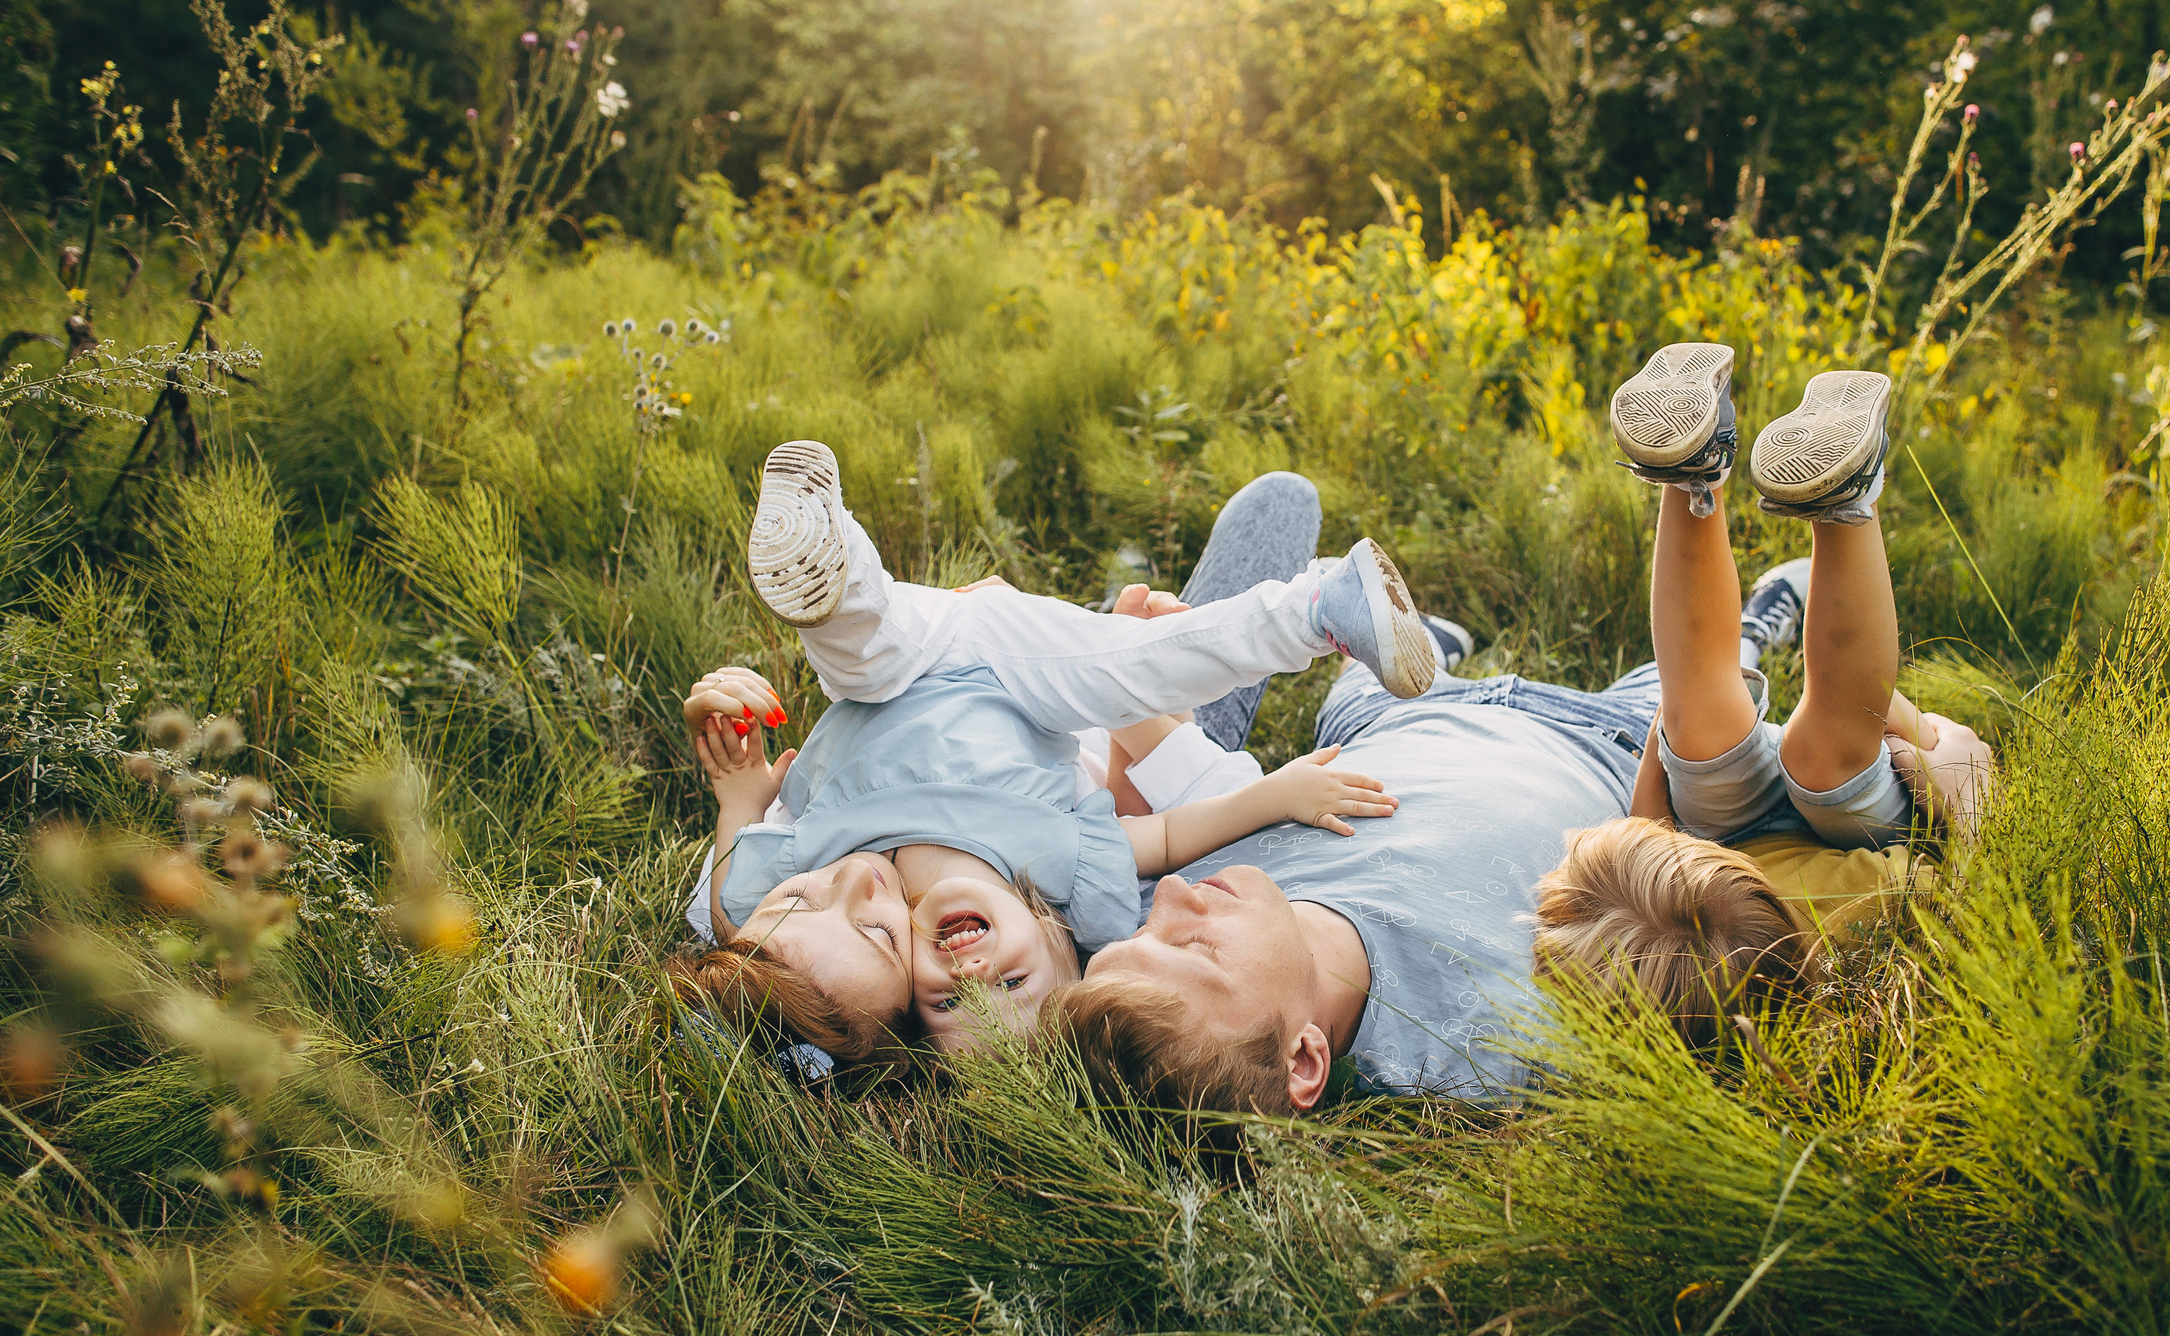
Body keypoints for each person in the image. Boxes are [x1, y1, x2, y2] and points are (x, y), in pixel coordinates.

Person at [1049, 344, 1992, 1112]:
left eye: (1145, 925)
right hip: (1608, 742)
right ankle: (1759, 608)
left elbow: (1146, 799)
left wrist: (1142, 660)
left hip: (1394, 718)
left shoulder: (1143, 937)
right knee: (1705, 688)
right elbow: (1700, 947)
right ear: (1304, 1061)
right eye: (1197, 946)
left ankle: (1430, 644)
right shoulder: (1475, 1051)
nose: (1173, 898)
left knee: (1322, 599)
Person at [670, 454, 1435, 1064]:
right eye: (875, 932)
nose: (848, 884)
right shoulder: (1057, 870)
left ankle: (821, 545)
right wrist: (1273, 792)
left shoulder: (763, 909)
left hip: (914, 658)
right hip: (1021, 671)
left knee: (859, 645)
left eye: (801, 899)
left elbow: (732, 893)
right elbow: (1168, 840)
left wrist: (739, 787)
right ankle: (1318, 611)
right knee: (1144, 664)